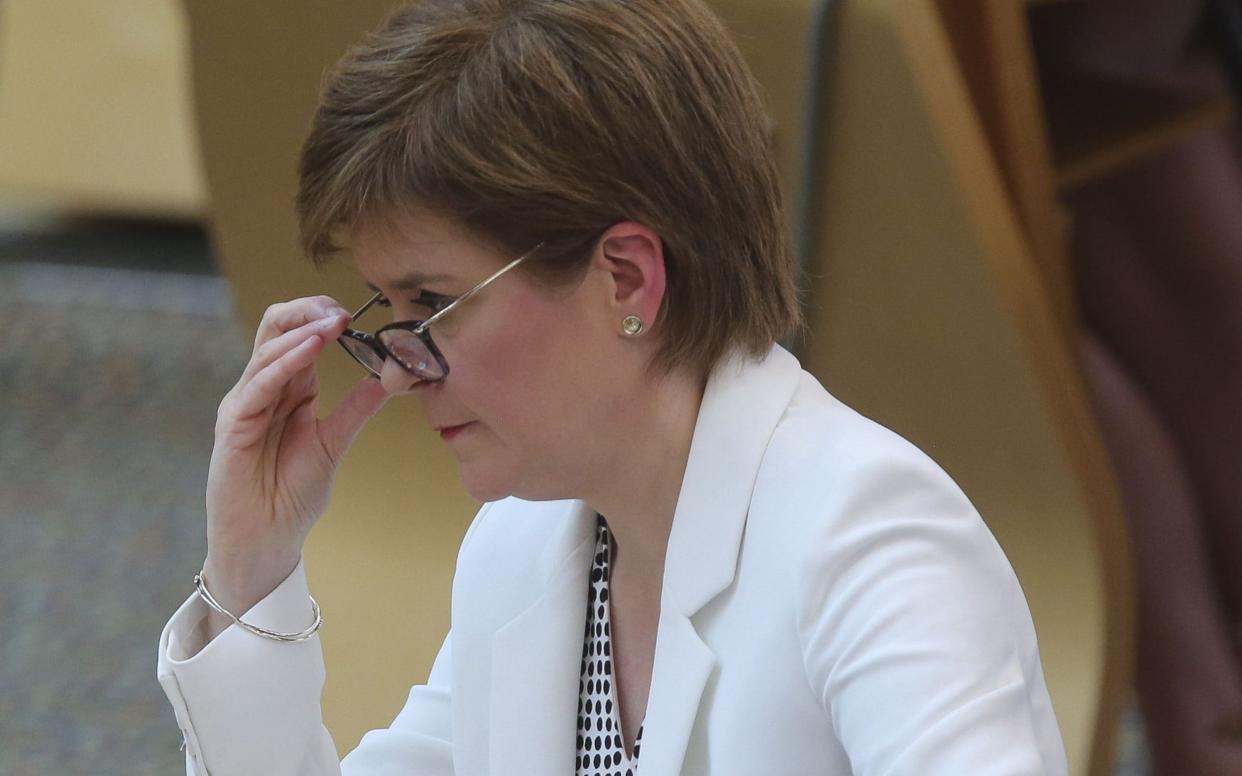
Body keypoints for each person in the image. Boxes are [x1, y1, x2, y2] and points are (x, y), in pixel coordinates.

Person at [155, 0, 1067, 773]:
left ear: (627, 278)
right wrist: (251, 567)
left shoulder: (875, 542)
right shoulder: (523, 547)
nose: (400, 369)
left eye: (431, 303)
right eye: (386, 311)